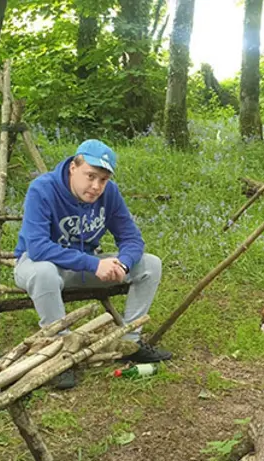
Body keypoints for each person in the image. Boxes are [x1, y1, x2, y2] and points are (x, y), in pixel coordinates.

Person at [14, 139, 172, 389]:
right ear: (73, 168)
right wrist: (92, 263)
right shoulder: (42, 189)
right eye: (90, 176)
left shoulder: (109, 193)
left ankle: (130, 342)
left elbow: (131, 238)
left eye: (103, 179)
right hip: (39, 266)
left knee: (151, 264)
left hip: (83, 267)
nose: (96, 186)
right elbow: (37, 247)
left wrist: (124, 265)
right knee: (44, 272)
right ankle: (58, 352)